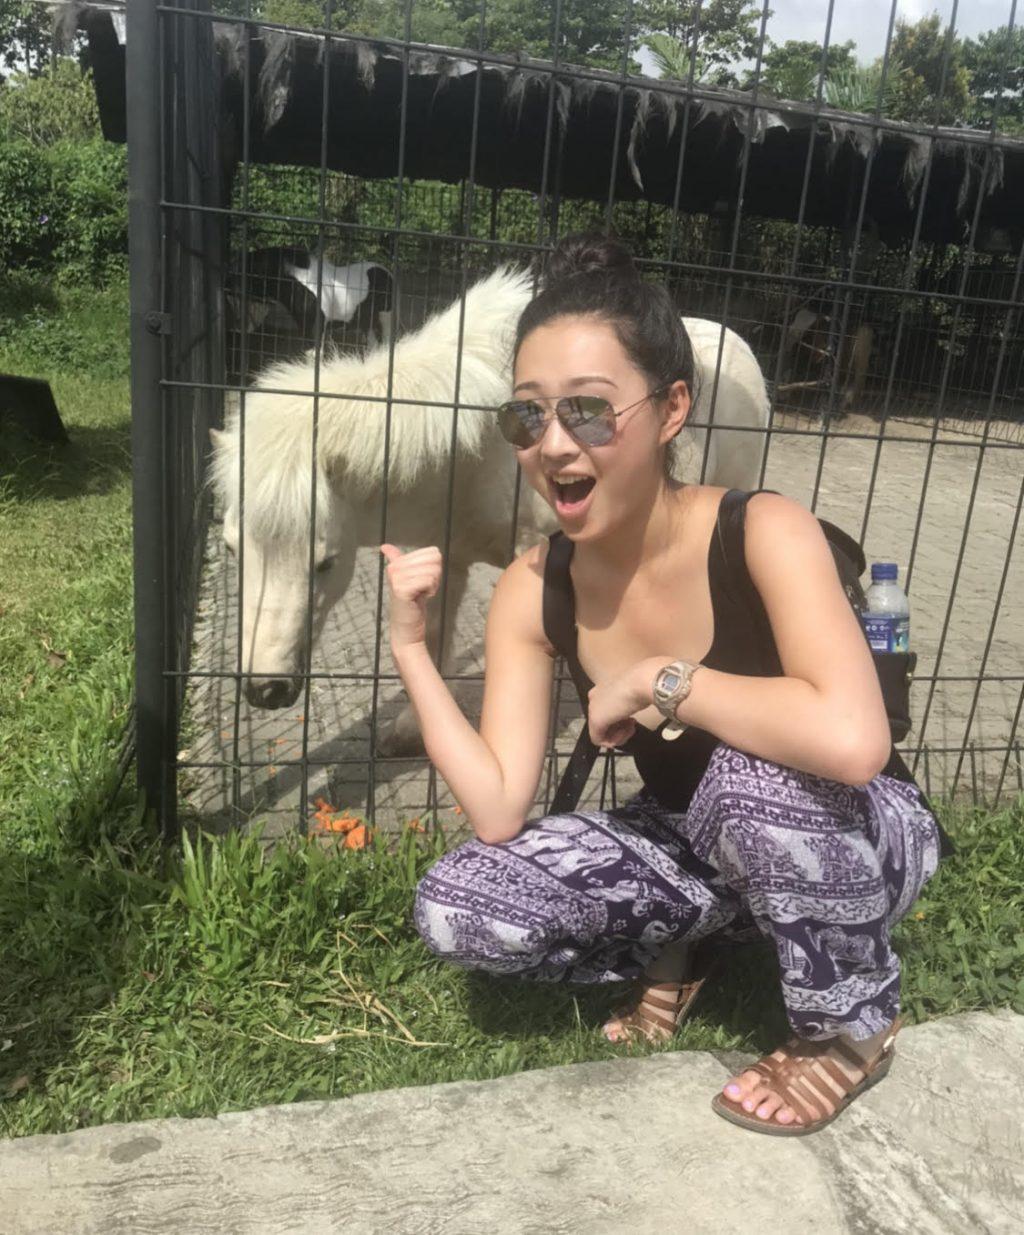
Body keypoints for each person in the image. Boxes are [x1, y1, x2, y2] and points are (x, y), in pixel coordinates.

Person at [379, 232, 948, 1137]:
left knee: (743, 779)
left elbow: (855, 739)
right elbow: (495, 808)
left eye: (591, 413)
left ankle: (851, 1021)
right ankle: (702, 938)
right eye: (527, 417)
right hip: (695, 835)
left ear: (673, 407)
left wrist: (658, 678)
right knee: (463, 902)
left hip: (860, 824)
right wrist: (411, 646)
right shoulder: (535, 588)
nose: (554, 444)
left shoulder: (762, 530)